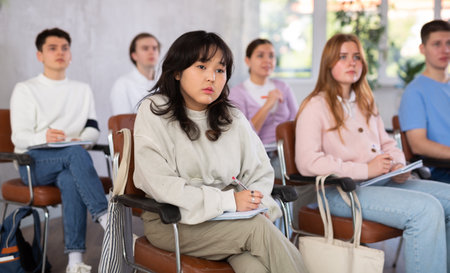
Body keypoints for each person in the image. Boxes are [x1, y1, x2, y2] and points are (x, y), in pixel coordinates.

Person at [133, 30, 306, 273]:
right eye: (201, 66)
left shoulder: (231, 116)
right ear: (177, 71)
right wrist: (229, 201)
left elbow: (260, 171)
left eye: (220, 70)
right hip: (174, 221)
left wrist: (258, 204)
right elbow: (160, 184)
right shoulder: (154, 110)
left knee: (255, 266)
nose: (211, 78)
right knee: (257, 229)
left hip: (232, 222)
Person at [295, 33, 450, 273]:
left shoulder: (365, 101)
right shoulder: (315, 105)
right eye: (343, 57)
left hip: (381, 182)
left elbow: (388, 144)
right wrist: (365, 169)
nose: (352, 63)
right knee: (426, 210)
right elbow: (307, 162)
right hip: (340, 193)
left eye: (357, 57)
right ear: (328, 63)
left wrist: (398, 165)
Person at [10, 28, 108, 273]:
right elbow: (18, 136)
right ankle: (107, 219)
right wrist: (44, 136)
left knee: (70, 175)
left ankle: (75, 262)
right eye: (52, 48)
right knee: (76, 155)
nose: (60, 52)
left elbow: (93, 128)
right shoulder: (25, 89)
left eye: (65, 47)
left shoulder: (82, 89)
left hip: (68, 161)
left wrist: (80, 138)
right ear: (39, 55)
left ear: (71, 54)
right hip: (32, 162)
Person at [229, 39, 298, 178]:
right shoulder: (237, 93)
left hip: (286, 154)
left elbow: (297, 122)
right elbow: (243, 134)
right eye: (260, 55)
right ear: (247, 61)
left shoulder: (283, 87)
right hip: (258, 158)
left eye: (271, 56)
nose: (267, 60)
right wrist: (268, 105)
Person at [398, 19, 450, 183]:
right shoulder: (415, 92)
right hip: (440, 171)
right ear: (422, 49)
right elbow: (418, 144)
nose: (445, 50)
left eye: (449, 43)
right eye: (437, 44)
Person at [110, 32, 160, 115]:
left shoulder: (166, 82)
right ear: (134, 55)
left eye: (155, 48)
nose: (151, 52)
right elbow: (123, 123)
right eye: (145, 48)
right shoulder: (122, 84)